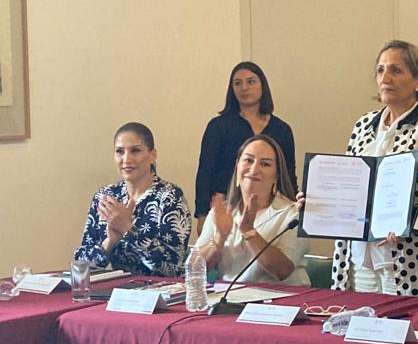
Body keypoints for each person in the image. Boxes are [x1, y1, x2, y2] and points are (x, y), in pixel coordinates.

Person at [329, 40, 418, 298]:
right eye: (380, 70)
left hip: (413, 257)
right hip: (361, 255)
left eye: (395, 70)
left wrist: (408, 221)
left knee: (406, 322)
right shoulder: (363, 125)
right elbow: (350, 186)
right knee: (361, 320)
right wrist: (321, 202)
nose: (385, 78)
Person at [75, 122, 191, 276]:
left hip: (162, 288)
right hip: (118, 287)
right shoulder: (105, 196)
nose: (126, 159)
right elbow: (81, 267)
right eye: (120, 152)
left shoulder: (170, 196)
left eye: (135, 150)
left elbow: (171, 266)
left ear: (152, 155)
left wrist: (128, 230)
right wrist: (109, 242)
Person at [194, 61, 297, 230]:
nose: (244, 88)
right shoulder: (218, 126)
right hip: (226, 209)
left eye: (251, 81)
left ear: (262, 85)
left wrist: (294, 209)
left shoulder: (281, 129)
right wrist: (202, 214)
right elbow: (205, 172)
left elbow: (289, 175)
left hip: (271, 212)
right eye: (237, 83)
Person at [195, 134, 309, 285]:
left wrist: (249, 231)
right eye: (249, 160)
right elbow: (195, 269)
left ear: (277, 175)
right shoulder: (222, 212)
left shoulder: (294, 214)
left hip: (283, 297)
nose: (254, 169)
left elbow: (282, 270)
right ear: (237, 167)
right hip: (231, 296)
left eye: (265, 164)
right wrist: (218, 239)